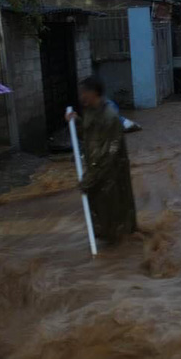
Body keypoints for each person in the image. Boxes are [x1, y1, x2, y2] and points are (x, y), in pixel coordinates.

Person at [65, 76, 137, 242]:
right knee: (100, 211)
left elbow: (111, 151)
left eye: (84, 93)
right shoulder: (90, 111)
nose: (81, 96)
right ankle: (110, 247)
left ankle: (121, 250)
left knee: (115, 213)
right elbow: (88, 135)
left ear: (94, 93)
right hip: (97, 170)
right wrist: (75, 122)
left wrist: (91, 177)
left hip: (111, 173)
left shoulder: (110, 117)